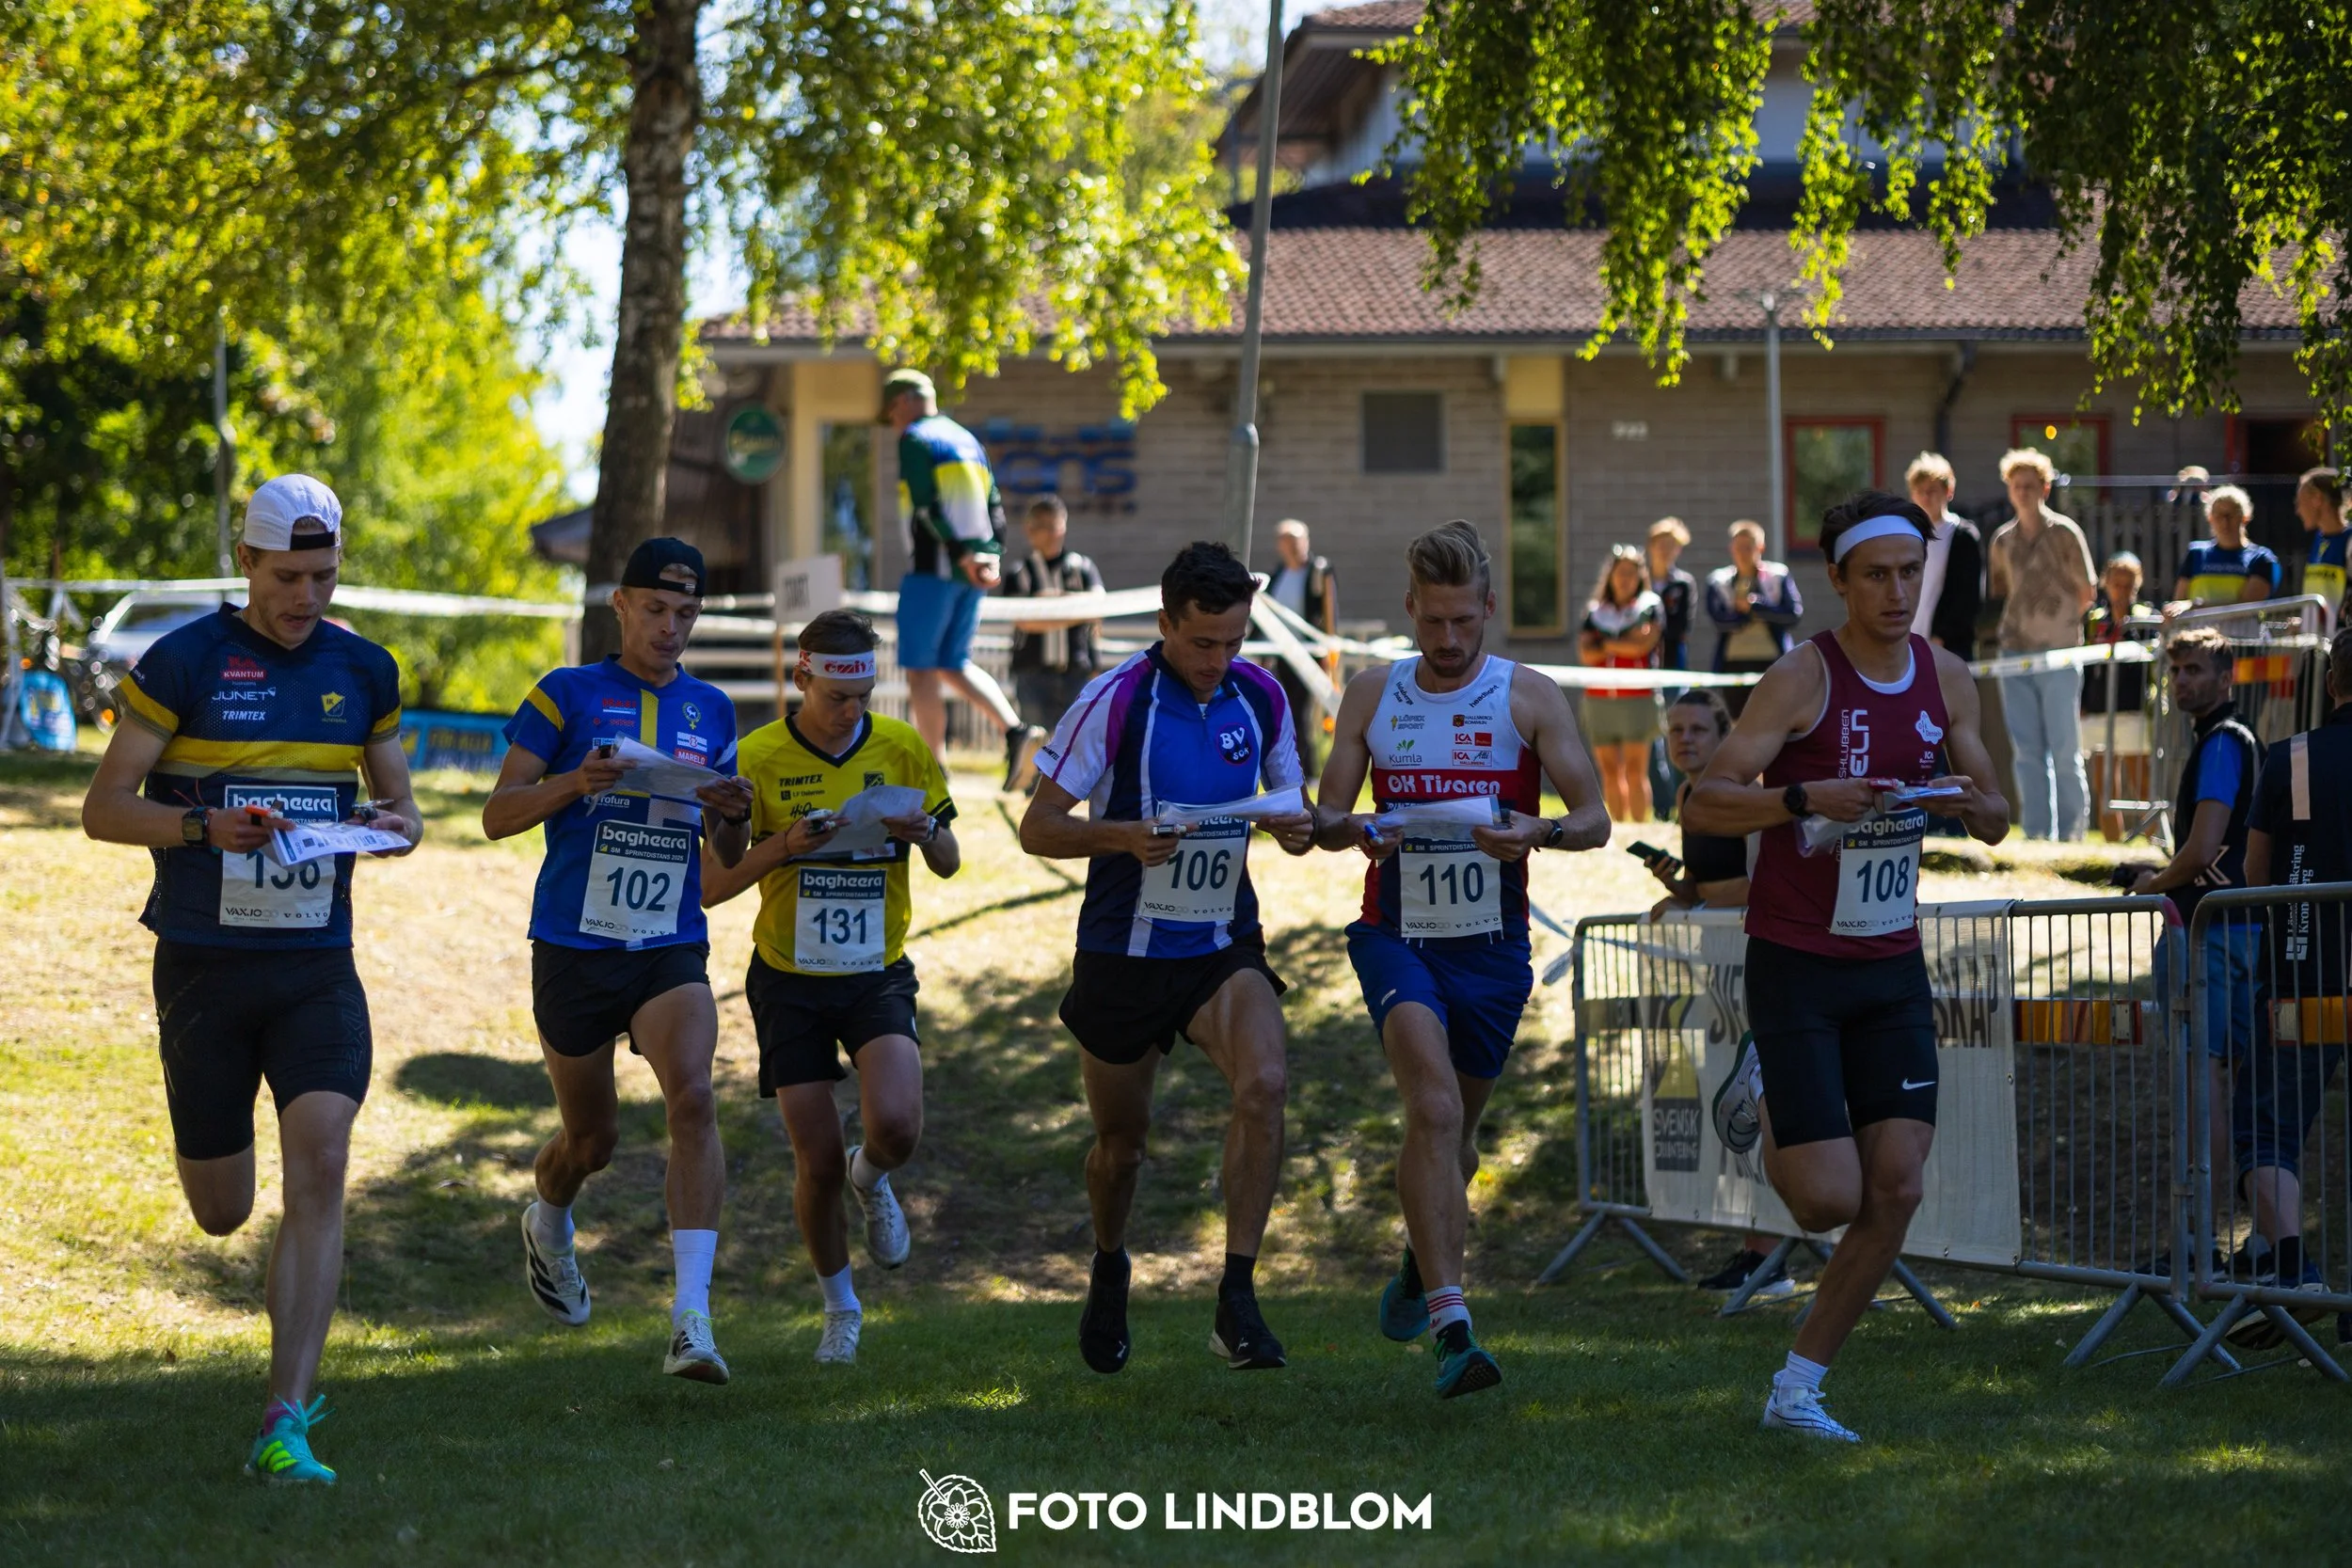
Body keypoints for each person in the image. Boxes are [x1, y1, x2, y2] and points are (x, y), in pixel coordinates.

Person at [80, 474, 421, 1485]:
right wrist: (201, 824)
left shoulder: (363, 668)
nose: (305, 595)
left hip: (317, 967)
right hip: (204, 970)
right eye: (286, 576)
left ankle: (286, 1419)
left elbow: (401, 806)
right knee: (223, 1209)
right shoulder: (183, 659)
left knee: (319, 1159)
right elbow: (103, 807)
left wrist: (386, 827)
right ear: (247, 562)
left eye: (322, 574)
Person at [1685, 490, 2010, 1443]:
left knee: (1897, 1187)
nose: (1896, 591)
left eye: (1910, 572)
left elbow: (1997, 812)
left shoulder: (1948, 678)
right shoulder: (1800, 677)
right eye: (1876, 575)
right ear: (1837, 581)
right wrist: (1798, 797)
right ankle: (1767, 1074)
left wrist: (1961, 800)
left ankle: (1796, 1386)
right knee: (1828, 1197)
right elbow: (1705, 802)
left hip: (1891, 961)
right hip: (1795, 960)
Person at [1313, 520, 1611, 1399]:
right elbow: (1330, 818)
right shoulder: (1372, 693)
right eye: (1431, 623)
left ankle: (1418, 1257)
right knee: (1434, 1110)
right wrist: (1353, 831)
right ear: (1410, 609)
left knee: (1460, 1140)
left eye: (1462, 623)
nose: (1446, 642)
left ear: (1488, 609)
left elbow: (1594, 817)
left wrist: (1539, 830)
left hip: (1492, 950)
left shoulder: (1530, 697)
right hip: (1396, 936)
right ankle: (1454, 1328)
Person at [1019, 542, 1317, 1376]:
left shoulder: (1260, 694)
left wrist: (1298, 828)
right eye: (1202, 644)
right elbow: (1036, 826)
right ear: (1164, 624)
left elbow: (1292, 809)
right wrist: (1122, 835)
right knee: (1122, 1146)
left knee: (1265, 1083)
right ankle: (1110, 1262)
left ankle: (1237, 1297)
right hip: (1123, 949)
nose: (1220, 660)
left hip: (1222, 943)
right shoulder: (1113, 698)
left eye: (1233, 640)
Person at [483, 538, 755, 1386]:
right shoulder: (564, 694)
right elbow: (498, 814)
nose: (671, 628)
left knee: (696, 1096)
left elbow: (724, 848)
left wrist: (735, 817)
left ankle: (691, 1321)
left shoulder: (712, 710)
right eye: (656, 610)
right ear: (622, 607)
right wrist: (577, 783)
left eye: (687, 614)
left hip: (667, 944)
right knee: (591, 1139)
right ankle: (550, 1221)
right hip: (573, 943)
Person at [701, 609, 960, 1367]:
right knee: (812, 1158)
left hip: (876, 968)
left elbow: (949, 860)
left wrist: (925, 834)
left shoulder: (902, 748)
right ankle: (840, 1308)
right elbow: (717, 878)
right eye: (836, 698)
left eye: (864, 698)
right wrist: (775, 840)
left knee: (899, 1124)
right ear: (802, 676)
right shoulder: (758, 755)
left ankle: (871, 1176)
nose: (851, 713)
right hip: (788, 974)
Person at [2229, 625, 2352, 1347]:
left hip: (2304, 968)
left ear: (2331, 683)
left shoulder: (2292, 758)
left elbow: (2254, 876)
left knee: (2264, 1127)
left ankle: (2295, 1272)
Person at [1647, 689, 1790, 1300]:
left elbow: (1762, 887)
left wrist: (1702, 903)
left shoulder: (1747, 791)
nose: (1685, 739)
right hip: (1717, 976)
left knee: (1764, 1108)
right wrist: (1675, 891)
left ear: (1725, 734)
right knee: (1731, 1111)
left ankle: (1775, 1254)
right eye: (1675, 729)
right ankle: (1755, 1250)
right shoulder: (1686, 797)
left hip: (1762, 968)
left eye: (1698, 729)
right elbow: (1707, 885)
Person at [2128, 628, 2261, 1213]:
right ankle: (2227, 1226)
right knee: (2224, 1077)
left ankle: (2195, 1232)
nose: (2181, 679)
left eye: (2195, 670)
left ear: (2226, 678)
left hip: (2211, 935)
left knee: (2199, 1077)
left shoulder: (2222, 744)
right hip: (2243, 930)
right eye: (2176, 669)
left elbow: (2204, 847)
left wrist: (2153, 885)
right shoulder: (2237, 740)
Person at [882, 367, 1046, 787]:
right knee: (952, 662)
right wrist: (989, 555)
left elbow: (925, 508)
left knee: (921, 668)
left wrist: (959, 554)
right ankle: (1015, 730)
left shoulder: (915, 438)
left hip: (934, 568)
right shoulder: (966, 438)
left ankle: (933, 767)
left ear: (902, 403)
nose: (892, 423)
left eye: (891, 413)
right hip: (974, 572)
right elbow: (995, 505)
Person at [1986, 447, 2097, 841]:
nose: (2023, 493)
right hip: (2015, 652)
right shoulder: (2001, 541)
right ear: (2009, 490)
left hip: (2060, 651)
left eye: (2030, 485)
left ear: (2045, 487)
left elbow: (2088, 590)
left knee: (2065, 751)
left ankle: (2073, 834)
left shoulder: (2066, 533)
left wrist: (2060, 625)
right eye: (2016, 486)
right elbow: (2000, 594)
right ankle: (2036, 834)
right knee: (2026, 751)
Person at [1001, 495, 1105, 742]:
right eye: (1043, 526)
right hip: (1032, 673)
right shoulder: (1019, 573)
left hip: (1076, 673)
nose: (1051, 533)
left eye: (1055, 526)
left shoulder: (1082, 567)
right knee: (1035, 745)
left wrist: (1045, 604)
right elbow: (1024, 620)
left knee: (1076, 745)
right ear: (1030, 530)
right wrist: (1075, 609)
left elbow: (1098, 606)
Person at [1579, 544, 1663, 824]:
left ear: (1640, 575)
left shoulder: (1649, 606)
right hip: (1599, 698)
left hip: (1637, 698)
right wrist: (1621, 644)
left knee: (1636, 770)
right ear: (1610, 575)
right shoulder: (1594, 611)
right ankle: (1618, 826)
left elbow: (1642, 645)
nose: (1625, 578)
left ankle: (1640, 828)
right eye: (1620, 572)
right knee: (1609, 769)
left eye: (1631, 572)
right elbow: (1587, 654)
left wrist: (1606, 644)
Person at [2083, 551, 2158, 839]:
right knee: (2105, 784)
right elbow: (2087, 664)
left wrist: (2126, 624)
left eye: (2128, 585)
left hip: (2133, 709)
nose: (2121, 591)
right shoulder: (2094, 620)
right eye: (2116, 584)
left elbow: (2147, 661)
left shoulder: (2145, 618)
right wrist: (2083, 704)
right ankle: (2112, 845)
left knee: (2141, 781)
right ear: (2106, 583)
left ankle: (2153, 840)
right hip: (2100, 709)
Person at [1706, 519, 1804, 715]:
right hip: (1733, 663)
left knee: (1773, 719)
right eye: (1738, 547)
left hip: (1772, 662)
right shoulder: (1719, 581)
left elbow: (1793, 615)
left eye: (1749, 547)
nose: (1743, 553)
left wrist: (1757, 607)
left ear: (1761, 547)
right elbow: (1719, 621)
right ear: (1731, 548)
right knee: (1736, 721)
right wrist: (1744, 615)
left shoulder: (1778, 576)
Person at [1267, 518, 1340, 780]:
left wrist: (1328, 652)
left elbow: (1328, 614)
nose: (1294, 547)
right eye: (1289, 542)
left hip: (1309, 655)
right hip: (1280, 655)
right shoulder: (1277, 576)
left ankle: (1309, 772)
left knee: (1303, 714)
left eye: (1298, 541)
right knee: (1281, 711)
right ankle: (1283, 768)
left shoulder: (1318, 572)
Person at [1902, 451, 1984, 657]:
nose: (1926, 497)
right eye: (1920, 491)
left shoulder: (1963, 536)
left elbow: (1968, 597)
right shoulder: (1905, 536)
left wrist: (1942, 635)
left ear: (1949, 491)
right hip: (1908, 644)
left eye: (1932, 490)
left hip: (1948, 647)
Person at [2169, 485, 2281, 613]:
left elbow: (2247, 606)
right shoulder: (2196, 554)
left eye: (2231, 515)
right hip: (2198, 633)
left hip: (2242, 633)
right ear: (2210, 518)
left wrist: (2194, 606)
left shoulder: (2262, 558)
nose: (2225, 522)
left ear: (2245, 517)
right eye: (2219, 515)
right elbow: (2178, 601)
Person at [1647, 517, 1700, 673]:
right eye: (1662, 545)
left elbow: (1683, 626)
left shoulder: (1683, 583)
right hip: (1642, 653)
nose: (1665, 551)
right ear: (1651, 546)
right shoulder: (1640, 581)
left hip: (1672, 654)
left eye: (1671, 546)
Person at [2296, 467, 2346, 625]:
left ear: (2317, 499)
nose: (2298, 510)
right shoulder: (2319, 539)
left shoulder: (2349, 541)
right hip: (2319, 646)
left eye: (2300, 502)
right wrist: (2305, 623)